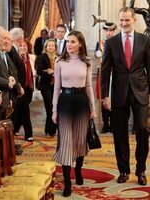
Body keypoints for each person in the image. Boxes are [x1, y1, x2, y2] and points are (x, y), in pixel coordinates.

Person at [101, 7, 150, 186]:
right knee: (119, 133)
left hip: (141, 91)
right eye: (121, 20)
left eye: (127, 20)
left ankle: (141, 169)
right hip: (119, 92)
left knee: (143, 130)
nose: (123, 23)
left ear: (134, 20)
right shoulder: (112, 42)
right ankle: (123, 170)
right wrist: (105, 96)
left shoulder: (145, 40)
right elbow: (105, 71)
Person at [52, 30, 96, 197]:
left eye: (72, 42)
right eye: (67, 41)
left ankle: (78, 169)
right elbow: (56, 88)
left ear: (80, 44)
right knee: (65, 142)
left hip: (82, 103)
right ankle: (67, 182)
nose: (69, 45)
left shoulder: (87, 61)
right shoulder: (60, 61)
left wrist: (93, 108)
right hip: (65, 102)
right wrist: (54, 110)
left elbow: (89, 86)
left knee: (79, 140)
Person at [95, 22, 117, 133]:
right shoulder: (100, 42)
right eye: (107, 31)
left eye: (111, 31)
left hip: (115, 73)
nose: (108, 33)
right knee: (104, 97)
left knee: (113, 98)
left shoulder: (118, 42)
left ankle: (113, 124)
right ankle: (105, 124)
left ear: (114, 31)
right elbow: (96, 55)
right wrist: (97, 53)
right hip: (103, 73)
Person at [37, 39, 57, 136]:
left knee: (54, 107)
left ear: (55, 47)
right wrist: (48, 72)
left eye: (53, 45)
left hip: (55, 86)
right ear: (46, 47)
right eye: (49, 45)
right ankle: (51, 130)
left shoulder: (58, 58)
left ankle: (49, 129)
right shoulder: (42, 57)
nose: (51, 47)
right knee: (50, 106)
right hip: (45, 86)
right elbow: (39, 71)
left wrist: (54, 72)